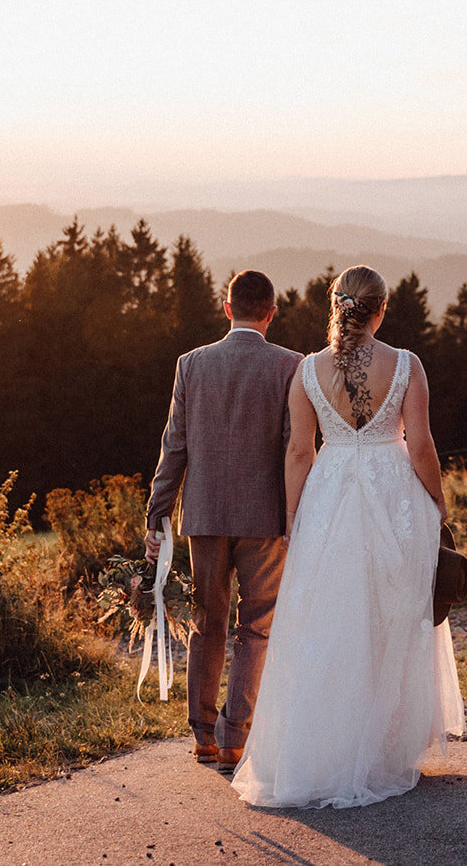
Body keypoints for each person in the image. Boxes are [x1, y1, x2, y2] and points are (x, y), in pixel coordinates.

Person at [232, 264, 466, 809]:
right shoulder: (406, 365)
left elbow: (298, 452)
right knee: (393, 615)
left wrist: (296, 516)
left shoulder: (307, 370)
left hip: (330, 493)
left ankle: (324, 745)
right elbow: (423, 445)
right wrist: (437, 498)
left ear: (334, 306)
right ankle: (384, 747)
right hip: (392, 493)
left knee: (329, 618)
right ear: (380, 310)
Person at [145, 269, 303, 773]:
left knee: (206, 623)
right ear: (271, 313)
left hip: (206, 515)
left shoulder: (191, 364)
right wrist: (300, 516)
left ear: (227, 307)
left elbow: (175, 447)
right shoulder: (290, 365)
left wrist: (157, 514)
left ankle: (203, 737)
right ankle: (236, 738)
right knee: (255, 627)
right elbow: (294, 449)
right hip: (265, 519)